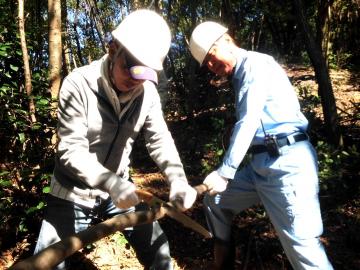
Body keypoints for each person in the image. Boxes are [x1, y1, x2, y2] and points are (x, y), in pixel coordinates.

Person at [34, 10, 197, 270]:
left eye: (145, 74)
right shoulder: (79, 84)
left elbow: (159, 139)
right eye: (130, 68)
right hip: (72, 191)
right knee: (47, 263)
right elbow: (70, 150)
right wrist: (109, 182)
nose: (135, 80)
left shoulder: (148, 94)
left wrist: (178, 179)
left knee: (160, 253)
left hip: (122, 190)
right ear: (112, 49)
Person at [189, 21, 333, 270]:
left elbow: (249, 121)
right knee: (215, 202)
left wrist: (225, 171)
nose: (212, 67)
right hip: (260, 167)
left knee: (303, 251)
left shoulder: (255, 65)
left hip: (286, 164)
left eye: (211, 57)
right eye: (207, 65)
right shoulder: (239, 75)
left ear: (226, 40)